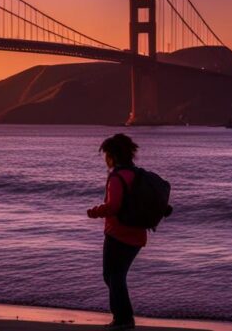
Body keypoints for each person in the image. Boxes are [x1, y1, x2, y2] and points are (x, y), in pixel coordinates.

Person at [87, 133, 148, 331]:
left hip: (117, 234)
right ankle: (123, 318)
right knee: (116, 276)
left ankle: (123, 320)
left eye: (106, 154)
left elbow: (113, 206)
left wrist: (95, 212)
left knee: (113, 276)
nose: (105, 158)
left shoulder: (116, 177)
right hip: (137, 235)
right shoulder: (137, 174)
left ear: (112, 155)